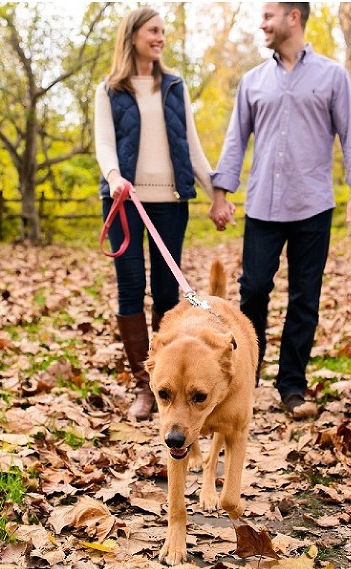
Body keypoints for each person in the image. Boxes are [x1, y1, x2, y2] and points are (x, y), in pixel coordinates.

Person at [211, 2, 351, 419]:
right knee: (254, 289)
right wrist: (222, 192)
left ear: (293, 17)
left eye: (268, 16)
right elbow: (235, 139)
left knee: (304, 299)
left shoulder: (332, 75)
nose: (262, 24)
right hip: (262, 204)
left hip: (313, 204)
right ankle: (246, 378)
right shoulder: (253, 81)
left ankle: (292, 385)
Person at [94, 7, 227, 420]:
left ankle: (168, 376)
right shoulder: (109, 90)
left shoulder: (174, 86)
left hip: (171, 200)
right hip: (124, 199)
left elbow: (191, 145)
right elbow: (104, 144)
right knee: (131, 288)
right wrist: (115, 176)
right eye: (153, 31)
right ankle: (144, 386)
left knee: (168, 294)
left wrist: (216, 195)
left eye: (163, 32)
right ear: (133, 35)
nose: (160, 38)